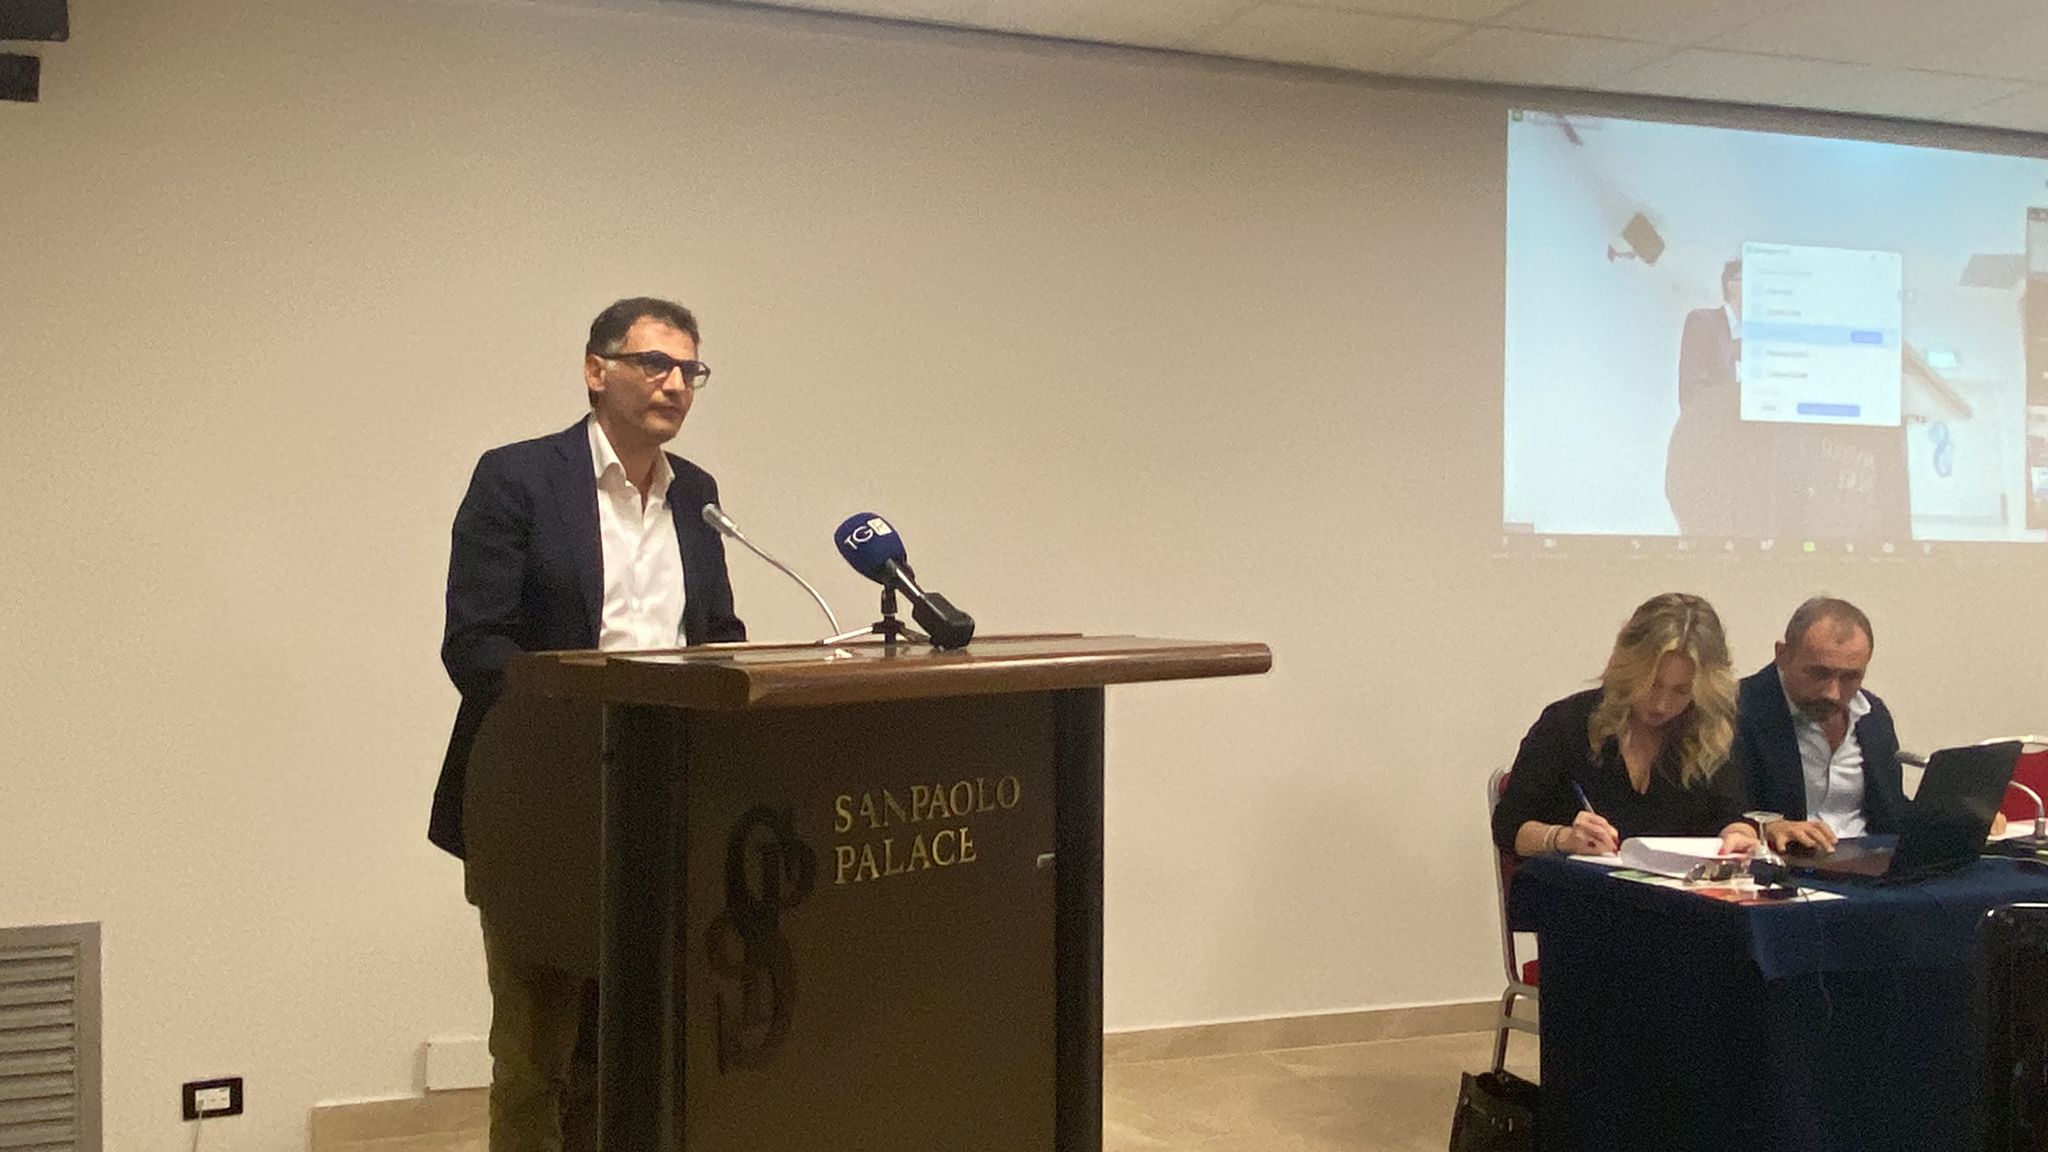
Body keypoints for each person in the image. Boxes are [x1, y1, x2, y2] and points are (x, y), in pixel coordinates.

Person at [431, 297, 746, 1152]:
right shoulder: (519, 478)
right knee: (538, 1054)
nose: (675, 384)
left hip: (664, 803)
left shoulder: (697, 496)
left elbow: (715, 634)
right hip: (541, 801)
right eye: (655, 363)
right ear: (596, 370)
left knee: (630, 1051)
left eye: (690, 370)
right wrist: (585, 721)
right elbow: (476, 644)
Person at [1493, 592, 1760, 859]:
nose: (1662, 705)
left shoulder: (1709, 733)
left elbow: (1732, 817)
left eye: (1681, 691)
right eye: (1652, 684)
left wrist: (1739, 836)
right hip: (1579, 882)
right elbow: (1508, 828)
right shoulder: (1567, 724)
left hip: (1679, 885)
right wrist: (1563, 838)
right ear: (1628, 668)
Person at [1733, 598, 1900, 855]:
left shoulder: (1872, 715)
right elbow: (1710, 811)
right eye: (1819, 674)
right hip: (1788, 863)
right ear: (1782, 654)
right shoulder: (1737, 710)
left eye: (1850, 677)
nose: (1833, 693)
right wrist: (1767, 828)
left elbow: (1890, 812)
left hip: (1871, 861)